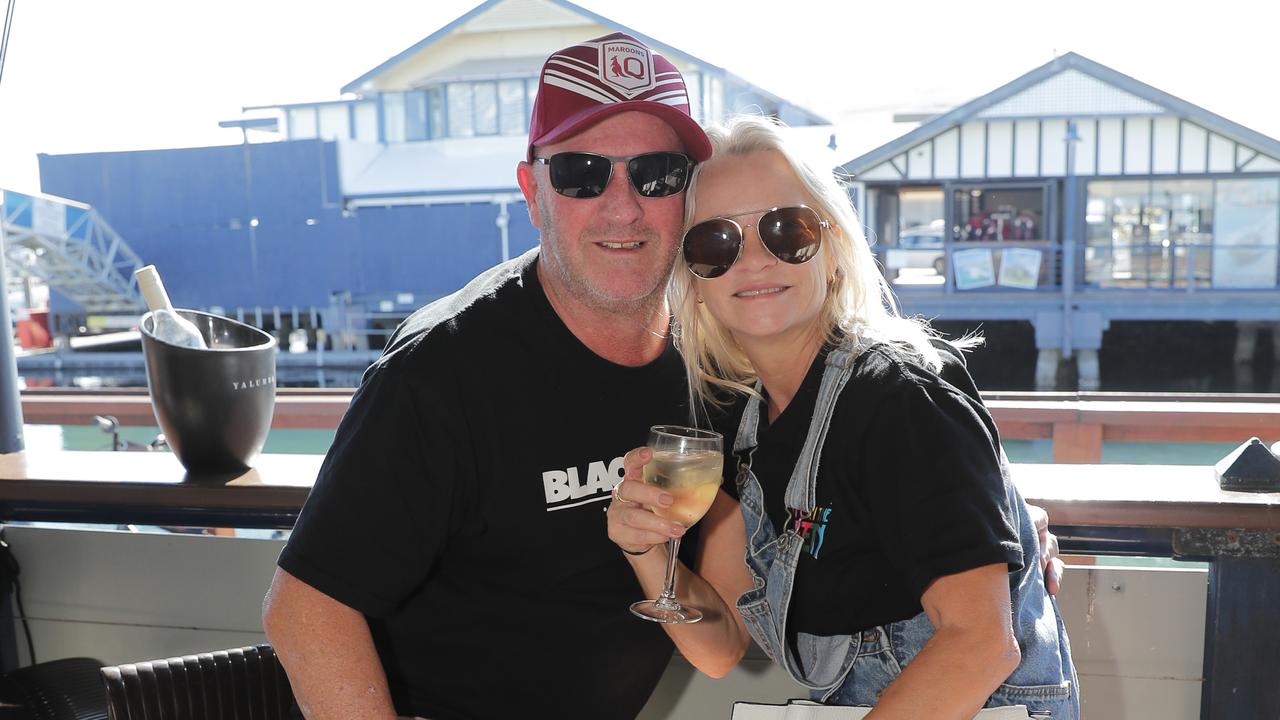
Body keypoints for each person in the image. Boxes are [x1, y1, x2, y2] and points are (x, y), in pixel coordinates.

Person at [263, 32, 1065, 720]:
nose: (622, 205)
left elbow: (739, 623)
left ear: (684, 201)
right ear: (531, 190)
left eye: (654, 175)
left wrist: (997, 524)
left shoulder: (716, 367)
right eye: (581, 173)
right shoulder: (443, 373)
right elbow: (304, 608)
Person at [607, 115, 1078, 718]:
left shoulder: (901, 396)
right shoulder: (741, 421)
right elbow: (721, 645)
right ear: (694, 280)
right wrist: (644, 548)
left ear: (833, 249)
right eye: (715, 243)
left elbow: (982, 643)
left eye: (786, 230)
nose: (752, 259)